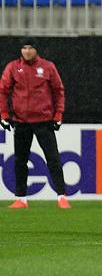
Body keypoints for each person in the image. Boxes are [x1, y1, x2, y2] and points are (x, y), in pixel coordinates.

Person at [0, 38, 70, 209]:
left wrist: (58, 114)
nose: (27, 51)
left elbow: (58, 91)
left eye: (30, 47)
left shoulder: (47, 67)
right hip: (21, 121)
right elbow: (3, 91)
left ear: (36, 50)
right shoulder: (13, 67)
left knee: (53, 159)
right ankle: (21, 199)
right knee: (20, 161)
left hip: (43, 122)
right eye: (24, 48)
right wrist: (4, 114)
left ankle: (62, 196)